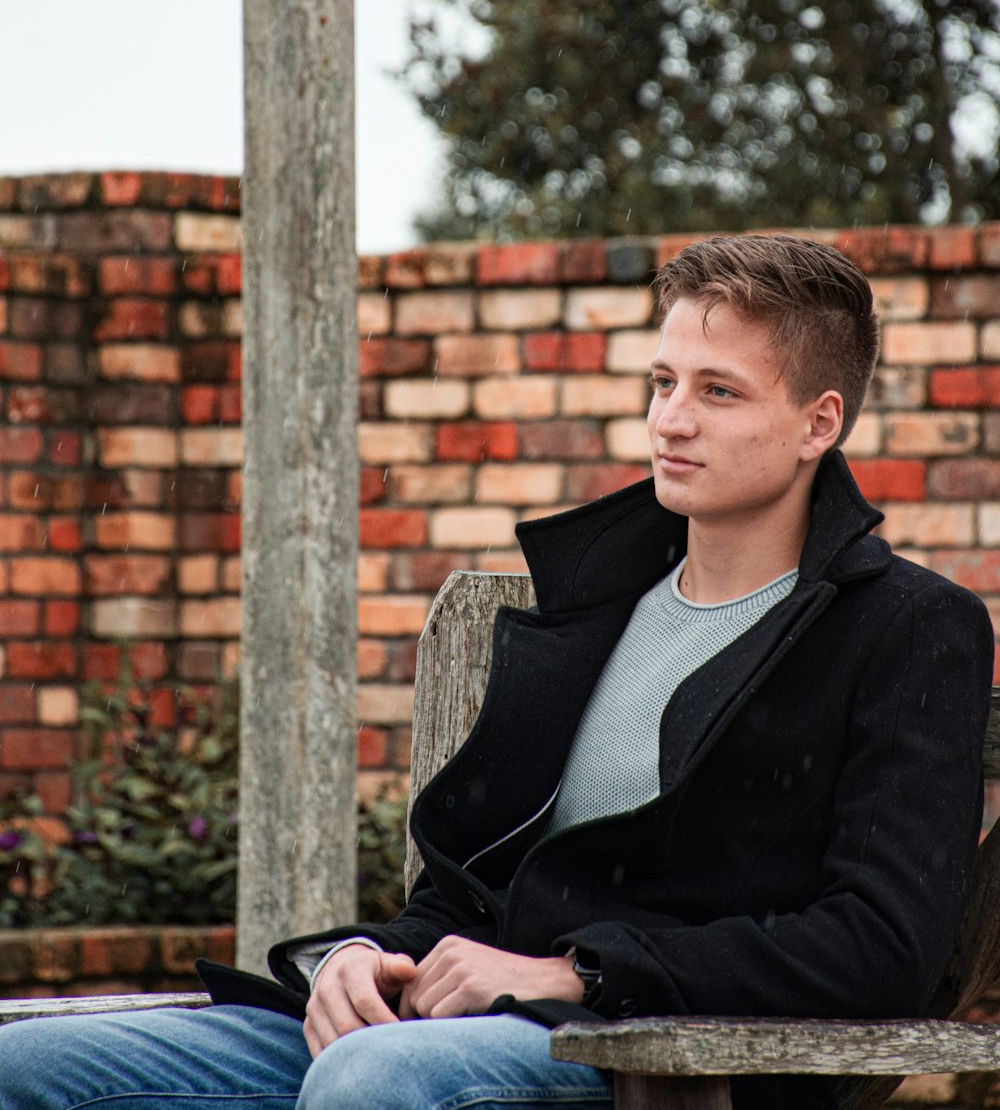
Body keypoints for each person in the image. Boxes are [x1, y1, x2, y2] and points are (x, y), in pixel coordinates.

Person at [2, 233, 993, 1110]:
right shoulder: (595, 601)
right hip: (456, 1022)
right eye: (661, 381)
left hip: (657, 1056)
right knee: (24, 1067)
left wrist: (577, 974)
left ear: (819, 424)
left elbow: (879, 947)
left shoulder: (906, 629)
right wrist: (360, 956)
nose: (670, 420)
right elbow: (475, 889)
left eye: (716, 390)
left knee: (372, 1081)